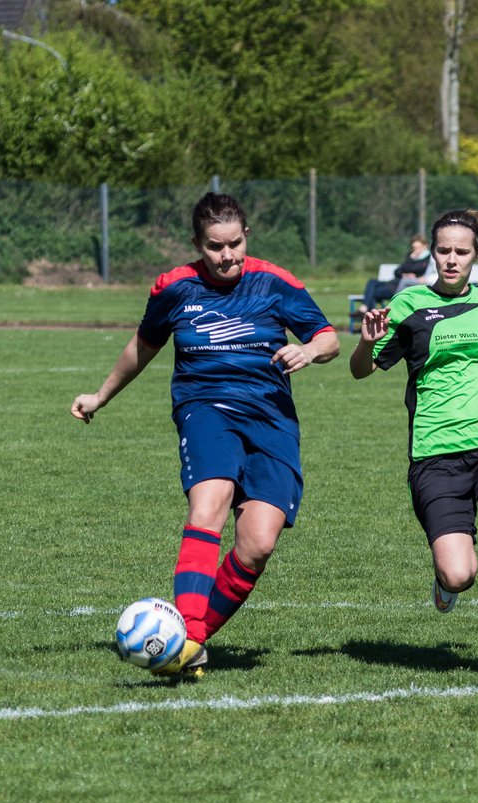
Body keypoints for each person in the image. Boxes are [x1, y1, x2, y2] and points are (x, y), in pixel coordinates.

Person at [70, 192, 339, 679]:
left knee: (257, 544)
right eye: (215, 246)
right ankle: (186, 640)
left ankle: (188, 640)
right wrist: (101, 395)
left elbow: (328, 336)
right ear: (198, 244)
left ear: (246, 237)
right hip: (205, 408)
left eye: (234, 243)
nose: (227, 255)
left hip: (271, 418)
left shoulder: (275, 282)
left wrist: (310, 352)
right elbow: (143, 345)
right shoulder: (175, 287)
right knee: (208, 506)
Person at [348, 208, 478, 682]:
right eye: (443, 250)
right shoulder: (408, 307)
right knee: (459, 573)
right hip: (437, 454)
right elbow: (361, 370)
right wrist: (364, 343)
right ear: (433, 252)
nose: (451, 259)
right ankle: (447, 581)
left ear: (476, 254)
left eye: (462, 252)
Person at [357, 235, 434, 316]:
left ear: (425, 246)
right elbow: (397, 271)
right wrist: (406, 269)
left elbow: (420, 272)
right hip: (395, 282)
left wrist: (411, 271)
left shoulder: (427, 258)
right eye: (413, 247)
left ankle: (367, 315)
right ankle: (365, 310)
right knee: (372, 282)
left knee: (373, 293)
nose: (415, 250)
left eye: (418, 247)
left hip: (404, 286)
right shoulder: (410, 256)